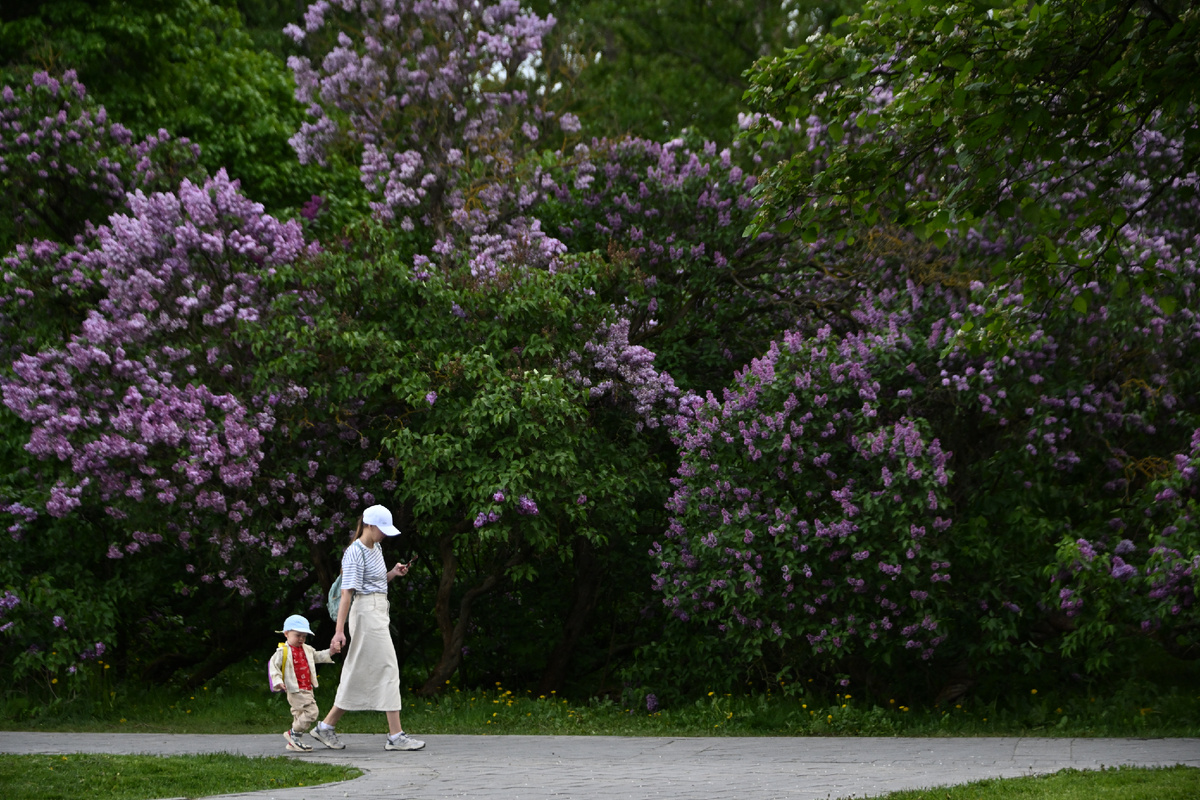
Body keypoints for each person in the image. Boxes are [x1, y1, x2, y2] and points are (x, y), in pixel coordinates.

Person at [309, 503, 424, 752]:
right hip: (366, 615)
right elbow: (348, 593)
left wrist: (392, 572)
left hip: (378, 611)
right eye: (381, 529)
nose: (383, 533)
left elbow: (375, 582)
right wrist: (338, 632)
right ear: (369, 525)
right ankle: (396, 736)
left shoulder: (377, 547)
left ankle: (326, 727)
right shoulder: (354, 552)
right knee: (389, 667)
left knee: (357, 670)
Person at [268, 614, 335, 752]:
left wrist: (331, 651)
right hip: (294, 689)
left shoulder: (307, 649)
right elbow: (273, 668)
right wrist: (278, 682)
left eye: (304, 636)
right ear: (286, 634)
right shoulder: (282, 652)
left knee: (299, 714)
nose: (301, 639)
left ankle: (294, 742)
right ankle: (292, 733)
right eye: (298, 635)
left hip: (307, 687)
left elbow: (317, 656)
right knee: (312, 712)